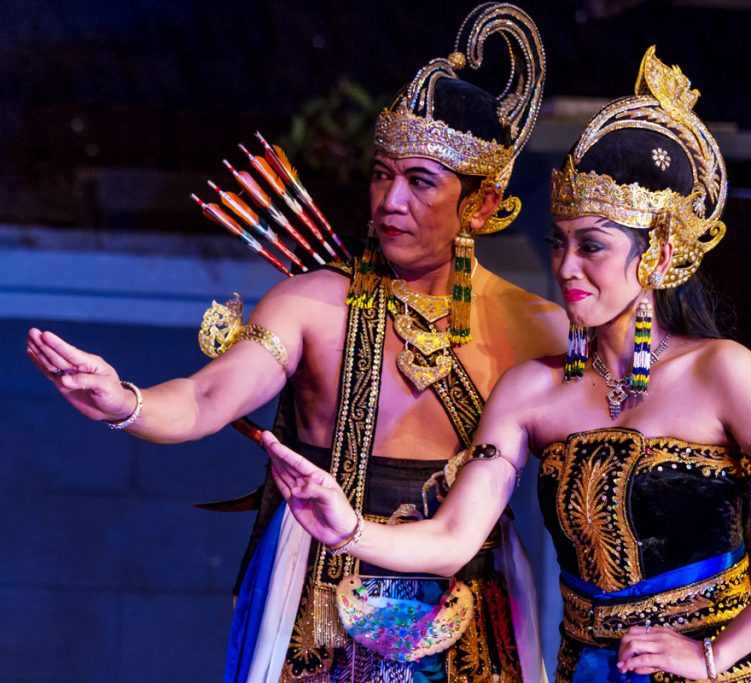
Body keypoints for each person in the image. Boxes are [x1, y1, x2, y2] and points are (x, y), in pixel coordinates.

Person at [260, 47, 751, 683]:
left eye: (592, 246)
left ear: (655, 255)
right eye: (560, 243)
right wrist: (348, 528)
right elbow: (453, 541)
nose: (567, 266)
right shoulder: (532, 391)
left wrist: (715, 654)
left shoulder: (721, 373)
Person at [25, 4, 565, 682]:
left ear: (481, 206)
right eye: (381, 174)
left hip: (465, 602)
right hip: (317, 598)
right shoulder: (314, 301)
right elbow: (202, 397)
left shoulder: (536, 327)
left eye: (420, 181)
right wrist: (124, 401)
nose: (389, 200)